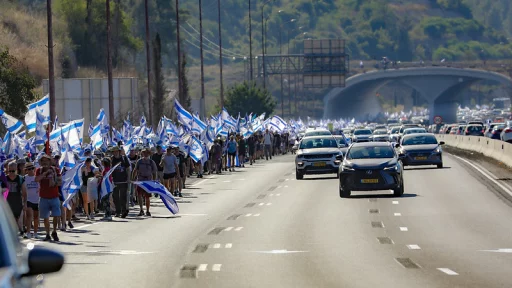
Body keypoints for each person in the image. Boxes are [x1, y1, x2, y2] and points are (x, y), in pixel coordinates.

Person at [35, 154, 62, 242]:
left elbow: (60, 182)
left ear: (50, 162)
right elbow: (36, 179)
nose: (44, 162)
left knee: (56, 215)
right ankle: (47, 233)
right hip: (43, 197)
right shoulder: (39, 170)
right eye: (42, 161)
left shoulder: (56, 170)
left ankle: (54, 231)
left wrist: (53, 179)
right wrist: (45, 174)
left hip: (54, 196)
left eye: (46, 160)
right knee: (45, 217)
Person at [3, 162, 27, 237]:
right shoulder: (5, 179)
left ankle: (21, 231)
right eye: (9, 171)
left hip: (18, 202)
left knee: (19, 220)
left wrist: (25, 203)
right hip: (8, 203)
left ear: (16, 170)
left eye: (13, 171)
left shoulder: (20, 179)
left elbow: (24, 192)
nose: (11, 173)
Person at [133, 148, 157, 216]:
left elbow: (154, 172)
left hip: (148, 180)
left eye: (147, 153)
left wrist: (154, 181)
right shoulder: (139, 161)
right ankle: (141, 210)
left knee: (147, 197)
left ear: (149, 154)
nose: (145, 154)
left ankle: (148, 210)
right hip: (140, 180)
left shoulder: (151, 162)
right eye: (144, 153)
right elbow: (135, 170)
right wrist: (133, 178)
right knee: (139, 195)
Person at [111, 146, 131, 218]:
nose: (115, 153)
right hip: (115, 181)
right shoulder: (112, 159)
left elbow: (128, 169)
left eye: (117, 151)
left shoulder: (124, 158)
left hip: (123, 180)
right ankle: (117, 211)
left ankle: (124, 211)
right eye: (114, 151)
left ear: (119, 151)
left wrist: (128, 178)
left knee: (123, 196)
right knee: (115, 197)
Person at [23, 162, 39, 239]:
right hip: (28, 200)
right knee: (29, 216)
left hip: (37, 200)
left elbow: (41, 187)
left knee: (36, 217)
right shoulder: (24, 178)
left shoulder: (37, 178)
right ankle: (28, 232)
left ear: (34, 169)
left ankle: (35, 232)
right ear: (26, 170)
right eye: (28, 169)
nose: (30, 170)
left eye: (32, 168)